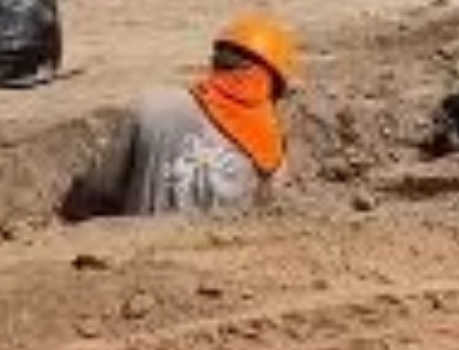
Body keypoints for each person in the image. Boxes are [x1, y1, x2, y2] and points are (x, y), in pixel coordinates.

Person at [67, 13, 297, 218]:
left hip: (134, 258)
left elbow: (97, 189)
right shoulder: (271, 152)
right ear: (272, 85)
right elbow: (270, 218)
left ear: (216, 62)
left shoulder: (151, 105)